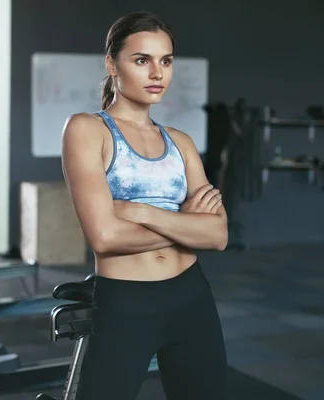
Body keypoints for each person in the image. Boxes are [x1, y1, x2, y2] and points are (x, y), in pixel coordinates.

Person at [61, 11, 228, 400]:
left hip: (191, 297)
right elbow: (104, 237)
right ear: (111, 64)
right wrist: (187, 225)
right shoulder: (88, 129)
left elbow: (218, 234)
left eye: (165, 61)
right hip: (126, 301)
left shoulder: (180, 142)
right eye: (142, 60)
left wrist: (143, 212)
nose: (157, 73)